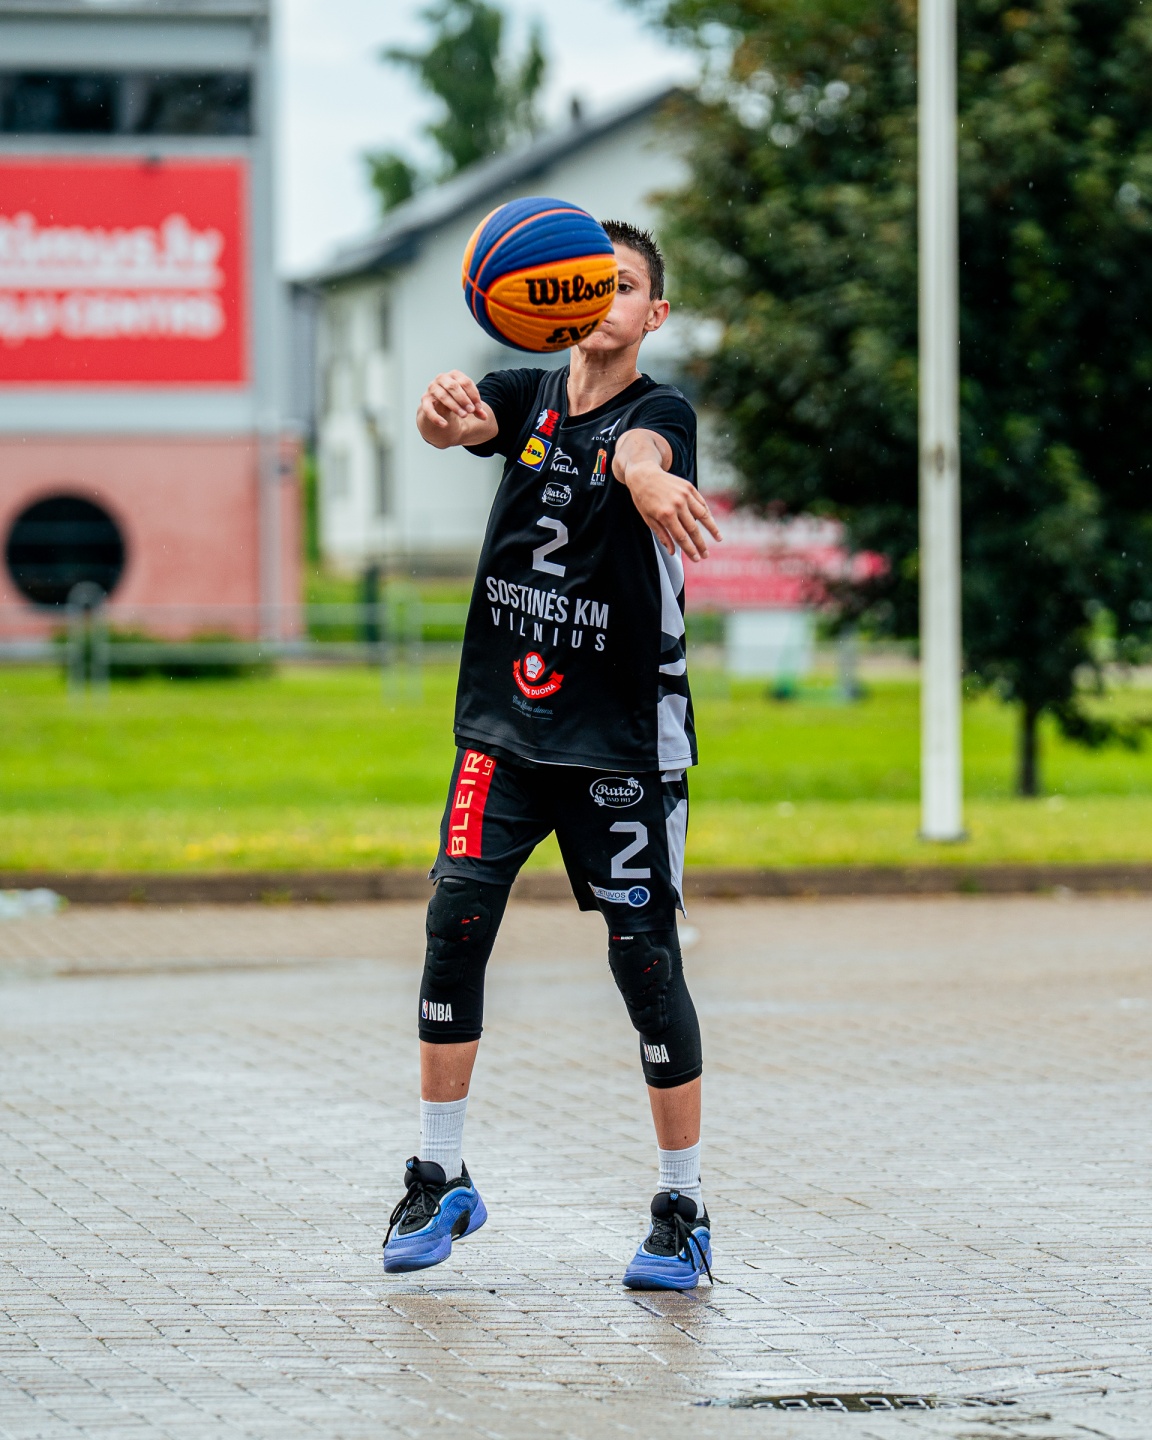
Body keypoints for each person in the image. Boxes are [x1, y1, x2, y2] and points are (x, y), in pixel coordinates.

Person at [382, 221, 722, 1290]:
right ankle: (440, 1176)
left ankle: (683, 1209)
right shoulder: (524, 395)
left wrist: (646, 478)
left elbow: (642, 453)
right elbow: (459, 426)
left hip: (620, 740)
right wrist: (441, 414)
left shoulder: (663, 414)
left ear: (653, 313)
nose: (601, 297)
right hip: (504, 729)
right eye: (589, 281)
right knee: (454, 923)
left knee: (644, 959)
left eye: (623, 285)